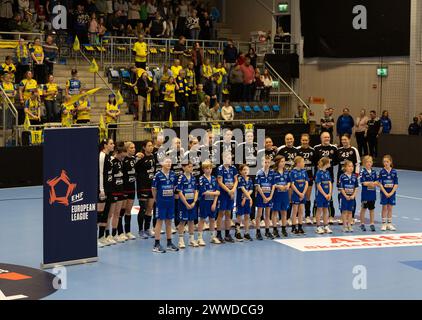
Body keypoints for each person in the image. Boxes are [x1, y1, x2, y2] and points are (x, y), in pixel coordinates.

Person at [152, 157, 179, 253]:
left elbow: (174, 186)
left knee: (169, 222)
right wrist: (156, 199)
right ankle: (156, 244)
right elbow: (154, 189)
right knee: (159, 221)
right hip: (161, 202)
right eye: (167, 162)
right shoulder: (158, 175)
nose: (169, 164)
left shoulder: (173, 174)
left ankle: (169, 243)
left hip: (170, 202)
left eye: (170, 162)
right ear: (162, 164)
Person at [314, 132, 338, 224]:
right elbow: (314, 161)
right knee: (319, 201)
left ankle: (329, 219)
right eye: (325, 137)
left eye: (328, 137)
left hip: (329, 178)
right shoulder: (316, 148)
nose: (327, 138)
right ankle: (317, 222)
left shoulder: (333, 148)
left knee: (329, 198)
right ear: (321, 138)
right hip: (320, 180)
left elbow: (336, 161)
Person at [337, 134, 361, 221]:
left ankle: (351, 216)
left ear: (349, 140)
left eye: (345, 139)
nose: (344, 141)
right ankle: (343, 216)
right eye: (342, 139)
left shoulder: (354, 150)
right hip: (341, 177)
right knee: (341, 196)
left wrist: (356, 175)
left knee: (352, 196)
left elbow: (357, 163)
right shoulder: (339, 150)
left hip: (352, 178)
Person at [136, 140, 156, 238]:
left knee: (150, 208)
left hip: (151, 186)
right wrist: (136, 157)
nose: (151, 147)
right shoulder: (140, 157)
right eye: (149, 146)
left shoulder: (152, 156)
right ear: (144, 147)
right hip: (142, 186)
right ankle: (141, 230)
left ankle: (148, 228)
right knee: (143, 208)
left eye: (152, 145)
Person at [216, 151, 238, 243]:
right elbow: (220, 182)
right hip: (223, 194)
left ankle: (227, 234)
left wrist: (233, 190)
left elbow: (236, 180)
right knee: (221, 213)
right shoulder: (220, 168)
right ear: (223, 158)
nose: (229, 159)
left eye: (230, 158)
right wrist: (228, 190)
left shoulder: (233, 168)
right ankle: (218, 234)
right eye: (227, 158)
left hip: (231, 193)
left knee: (229, 213)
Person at [176, 162, 199, 249]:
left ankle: (191, 239)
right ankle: (181, 240)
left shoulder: (193, 178)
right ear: (184, 168)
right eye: (189, 167)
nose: (191, 168)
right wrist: (186, 203)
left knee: (191, 221)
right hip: (183, 203)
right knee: (182, 221)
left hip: (192, 202)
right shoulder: (181, 178)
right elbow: (180, 192)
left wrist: (194, 202)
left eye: (191, 166)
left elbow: (196, 190)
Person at [108, 142, 127, 244]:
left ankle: (115, 234)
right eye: (121, 156)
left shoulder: (120, 161)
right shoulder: (111, 161)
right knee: (110, 214)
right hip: (113, 190)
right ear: (117, 153)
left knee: (117, 213)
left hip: (120, 190)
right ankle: (107, 234)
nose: (122, 158)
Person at [97, 139, 115, 247]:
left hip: (109, 188)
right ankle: (95, 238)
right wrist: (101, 190)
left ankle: (101, 236)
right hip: (102, 189)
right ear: (105, 145)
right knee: (100, 213)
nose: (113, 145)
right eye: (111, 144)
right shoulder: (102, 156)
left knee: (106, 213)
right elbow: (100, 173)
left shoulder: (110, 157)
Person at [198, 160, 220, 245]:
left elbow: (218, 192)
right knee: (202, 219)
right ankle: (200, 238)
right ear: (203, 169)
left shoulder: (214, 178)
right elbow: (203, 192)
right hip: (204, 202)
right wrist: (214, 193)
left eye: (210, 168)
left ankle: (212, 237)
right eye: (207, 168)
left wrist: (214, 203)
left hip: (213, 203)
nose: (209, 170)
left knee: (212, 220)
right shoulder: (201, 179)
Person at [119, 141, 137, 241]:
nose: (133, 149)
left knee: (128, 211)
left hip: (131, 188)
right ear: (126, 149)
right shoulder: (123, 159)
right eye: (131, 148)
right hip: (124, 188)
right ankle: (120, 232)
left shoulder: (134, 159)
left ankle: (128, 231)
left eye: (134, 147)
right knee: (121, 211)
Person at [297, 134, 316, 224]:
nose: (305, 142)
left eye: (306, 140)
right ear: (301, 140)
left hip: (309, 177)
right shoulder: (297, 150)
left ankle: (308, 216)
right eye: (303, 140)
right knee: (298, 196)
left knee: (307, 197)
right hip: (299, 177)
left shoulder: (312, 150)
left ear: (308, 140)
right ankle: (297, 216)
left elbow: (315, 164)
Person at [255, 156, 275, 240]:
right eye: (265, 162)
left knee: (267, 214)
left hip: (269, 196)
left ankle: (267, 231)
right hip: (261, 196)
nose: (266, 164)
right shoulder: (259, 173)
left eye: (268, 162)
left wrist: (270, 196)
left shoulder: (272, 172)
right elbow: (258, 187)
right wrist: (263, 196)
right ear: (262, 163)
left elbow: (273, 185)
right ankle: (258, 232)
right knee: (259, 214)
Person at [378, 155, 399, 231]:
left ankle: (389, 223)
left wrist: (391, 192)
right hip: (384, 193)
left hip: (392, 193)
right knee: (384, 208)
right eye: (384, 162)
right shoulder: (382, 172)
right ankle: (384, 224)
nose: (386, 163)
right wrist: (385, 192)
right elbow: (380, 184)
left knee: (390, 208)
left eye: (387, 161)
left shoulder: (394, 172)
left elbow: (396, 184)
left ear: (390, 162)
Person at [289, 156, 309, 235]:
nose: (304, 163)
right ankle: (294, 227)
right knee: (295, 211)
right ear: (298, 163)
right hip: (296, 194)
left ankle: (300, 227)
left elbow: (306, 182)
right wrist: (299, 193)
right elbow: (292, 184)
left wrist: (303, 193)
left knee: (301, 211)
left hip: (302, 193)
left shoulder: (304, 171)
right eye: (303, 162)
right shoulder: (292, 172)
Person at [272, 156, 290, 237]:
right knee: (275, 212)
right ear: (277, 162)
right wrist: (278, 186)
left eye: (284, 161)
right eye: (282, 161)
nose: (283, 163)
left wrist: (287, 186)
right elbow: (272, 183)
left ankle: (283, 228)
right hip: (276, 195)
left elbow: (289, 181)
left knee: (284, 212)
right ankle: (275, 229)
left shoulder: (286, 171)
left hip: (285, 195)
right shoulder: (273, 172)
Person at [339, 160, 359, 233]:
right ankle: (344, 226)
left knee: (350, 212)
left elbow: (356, 187)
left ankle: (349, 225)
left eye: (352, 166)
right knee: (344, 212)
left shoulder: (354, 176)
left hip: (351, 197)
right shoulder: (342, 176)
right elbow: (341, 188)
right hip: (344, 197)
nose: (351, 168)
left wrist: (353, 195)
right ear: (345, 167)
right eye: (349, 166)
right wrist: (345, 195)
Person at [359, 155, 378, 232]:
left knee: (372, 209)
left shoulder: (374, 172)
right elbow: (363, 182)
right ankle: (362, 223)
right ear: (364, 163)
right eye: (367, 162)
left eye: (370, 162)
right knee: (363, 208)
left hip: (372, 194)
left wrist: (374, 183)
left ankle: (372, 223)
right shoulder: (362, 172)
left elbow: (377, 181)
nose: (369, 163)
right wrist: (371, 183)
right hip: (365, 194)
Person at [314, 157, 333, 234]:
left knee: (326, 210)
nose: (330, 164)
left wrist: (329, 193)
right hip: (320, 195)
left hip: (327, 195)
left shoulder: (327, 172)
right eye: (329, 162)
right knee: (319, 210)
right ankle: (318, 226)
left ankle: (326, 226)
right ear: (326, 164)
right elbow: (318, 185)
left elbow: (329, 183)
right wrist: (325, 194)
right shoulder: (318, 172)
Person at [235, 164, 253, 241]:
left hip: (246, 200)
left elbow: (251, 190)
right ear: (240, 171)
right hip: (240, 200)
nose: (245, 171)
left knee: (247, 216)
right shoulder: (240, 179)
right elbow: (243, 189)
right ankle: (237, 232)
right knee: (239, 216)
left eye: (247, 170)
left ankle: (246, 233)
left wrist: (246, 198)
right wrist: (248, 198)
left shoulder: (250, 179)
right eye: (244, 170)